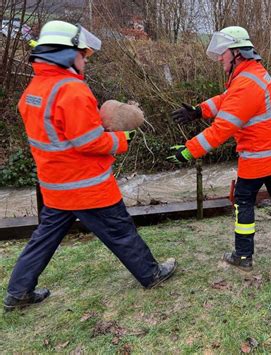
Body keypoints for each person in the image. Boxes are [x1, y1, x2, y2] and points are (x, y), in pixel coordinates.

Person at [3, 20, 176, 312]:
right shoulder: (72, 90)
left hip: (55, 185)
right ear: (66, 54)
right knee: (121, 231)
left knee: (43, 238)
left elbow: (60, 134)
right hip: (87, 186)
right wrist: (122, 139)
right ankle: (151, 274)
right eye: (82, 54)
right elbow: (90, 142)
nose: (85, 60)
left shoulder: (35, 88)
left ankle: (18, 291)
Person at [168, 26, 271, 271]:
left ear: (237, 54)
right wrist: (199, 111)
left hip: (259, 155)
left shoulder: (246, 83)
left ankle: (243, 256)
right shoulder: (252, 74)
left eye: (224, 53)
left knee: (243, 201)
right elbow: (226, 99)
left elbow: (220, 130)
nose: (220, 58)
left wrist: (188, 150)